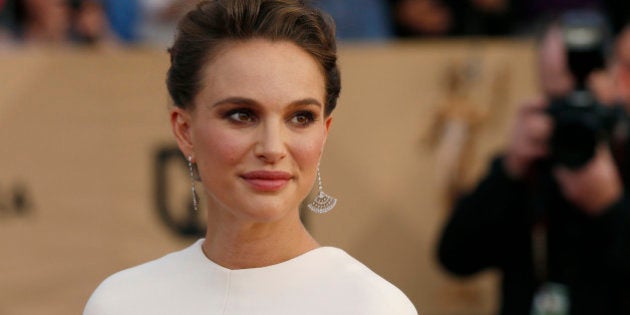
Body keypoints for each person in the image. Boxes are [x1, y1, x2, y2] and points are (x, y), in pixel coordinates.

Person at [83, 0, 418, 314]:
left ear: (324, 132)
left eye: (300, 117)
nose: (272, 148)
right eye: (242, 114)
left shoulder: (372, 306)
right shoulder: (122, 302)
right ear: (185, 131)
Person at [437, 14, 630, 315]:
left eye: (585, 96)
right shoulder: (528, 164)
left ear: (614, 79)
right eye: (559, 98)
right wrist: (510, 170)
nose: (574, 110)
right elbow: (455, 257)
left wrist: (611, 209)